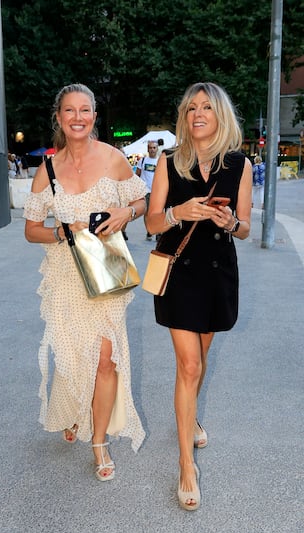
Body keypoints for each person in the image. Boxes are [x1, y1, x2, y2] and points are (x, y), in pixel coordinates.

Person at [24, 83, 146, 481]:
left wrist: (126, 212)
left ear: (94, 116)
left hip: (106, 267)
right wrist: (62, 232)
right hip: (65, 275)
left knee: (107, 358)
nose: (78, 117)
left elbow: (141, 201)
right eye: (69, 110)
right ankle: (74, 410)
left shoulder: (113, 158)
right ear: (58, 117)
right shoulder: (48, 169)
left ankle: (99, 442)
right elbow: (30, 230)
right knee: (73, 355)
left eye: (85, 110)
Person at [145, 82, 252, 510]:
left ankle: (190, 420)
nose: (198, 114)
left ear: (220, 114)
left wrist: (228, 222)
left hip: (218, 274)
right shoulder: (168, 161)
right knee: (188, 364)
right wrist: (178, 212)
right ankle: (186, 465)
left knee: (200, 361)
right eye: (191, 108)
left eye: (206, 107)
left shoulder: (239, 164)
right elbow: (152, 223)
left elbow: (245, 228)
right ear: (184, 118)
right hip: (180, 272)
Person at [136, 140, 159, 240]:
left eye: (154, 147)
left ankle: (158, 232)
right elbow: (137, 174)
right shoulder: (143, 160)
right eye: (150, 147)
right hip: (145, 191)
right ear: (148, 149)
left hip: (157, 191)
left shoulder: (160, 161)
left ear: (157, 149)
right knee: (147, 213)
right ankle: (149, 231)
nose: (152, 150)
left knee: (158, 212)